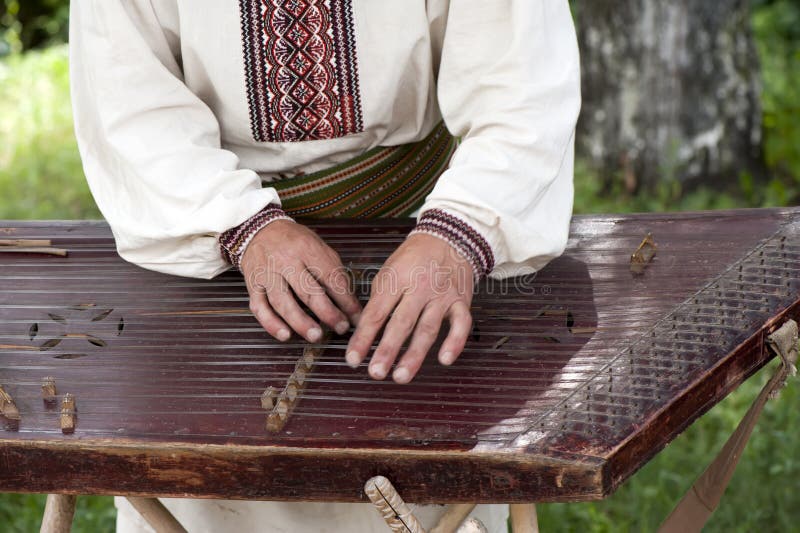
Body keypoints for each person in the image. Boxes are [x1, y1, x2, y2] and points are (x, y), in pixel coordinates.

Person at [70, 0, 581, 531]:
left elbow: (522, 85)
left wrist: (461, 232)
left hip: (419, 239)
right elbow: (127, 99)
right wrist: (242, 225)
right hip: (211, 252)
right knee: (208, 493)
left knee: (428, 474)